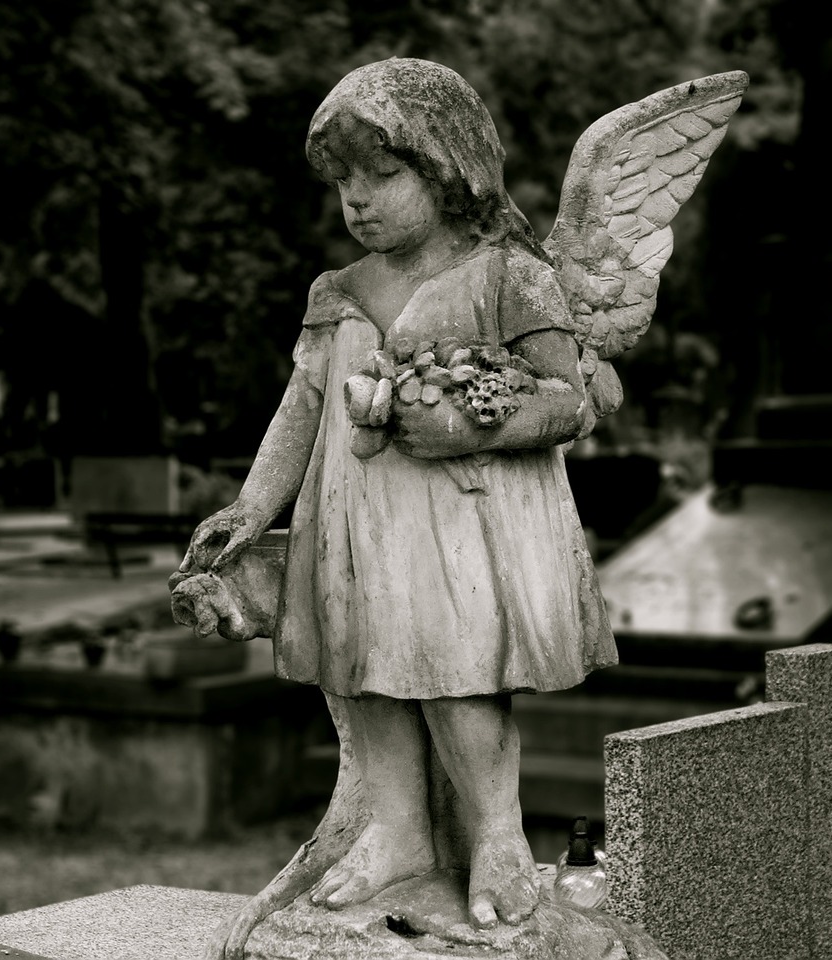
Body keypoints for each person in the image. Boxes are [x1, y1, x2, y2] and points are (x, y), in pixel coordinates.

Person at [180, 58, 617, 930]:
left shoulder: (509, 277)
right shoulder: (336, 292)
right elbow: (299, 410)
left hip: (463, 530)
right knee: (365, 678)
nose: (358, 199)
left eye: (382, 174)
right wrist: (251, 507)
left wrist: (475, 425)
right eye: (343, 180)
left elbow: (571, 401)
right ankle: (400, 828)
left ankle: (496, 832)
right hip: (357, 529)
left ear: (449, 171)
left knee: (457, 683)